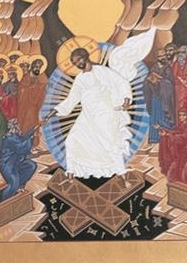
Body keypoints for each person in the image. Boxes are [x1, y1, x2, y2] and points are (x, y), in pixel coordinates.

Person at [49, 29, 154, 181]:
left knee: (109, 141)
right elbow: (71, 99)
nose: (77, 63)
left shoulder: (101, 71)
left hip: (105, 111)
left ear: (85, 57)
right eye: (74, 62)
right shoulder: (79, 79)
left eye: (78, 59)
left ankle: (120, 172)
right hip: (87, 114)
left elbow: (120, 82)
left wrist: (125, 98)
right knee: (72, 139)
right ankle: (72, 173)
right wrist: (53, 112)